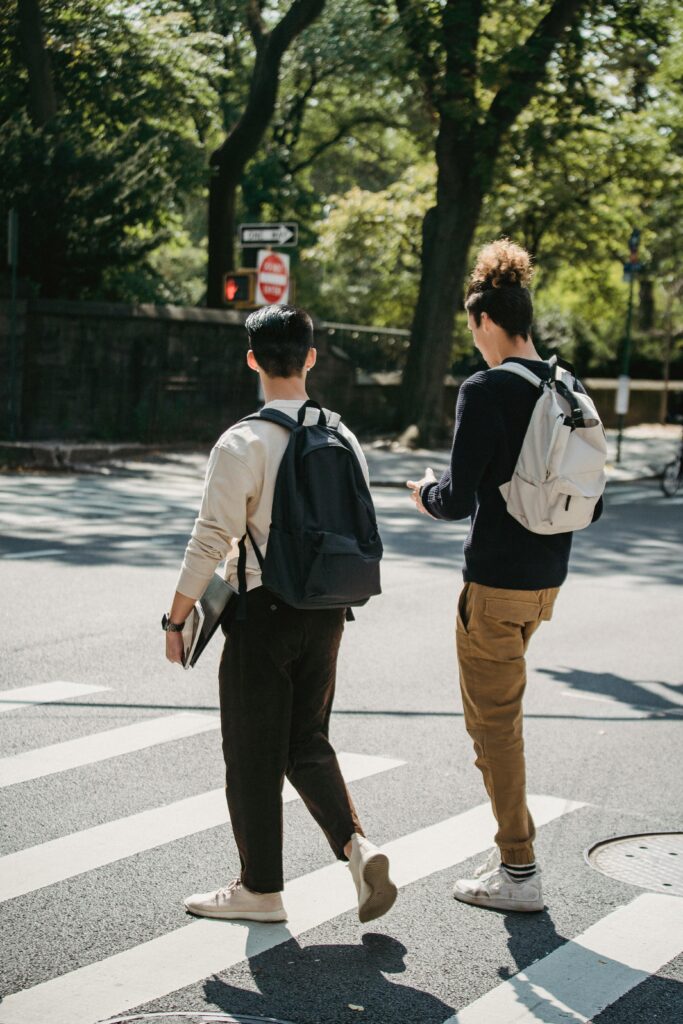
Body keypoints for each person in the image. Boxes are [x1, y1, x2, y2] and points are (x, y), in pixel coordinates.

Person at [163, 304, 396, 925]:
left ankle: (260, 889)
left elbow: (212, 538)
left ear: (252, 359)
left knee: (250, 753)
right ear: (311, 358)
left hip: (263, 612)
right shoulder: (343, 437)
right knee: (305, 742)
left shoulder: (243, 441)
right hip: (327, 612)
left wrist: (176, 617)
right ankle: (358, 847)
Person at [407, 239, 603, 913]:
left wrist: (423, 493)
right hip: (546, 577)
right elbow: (589, 494)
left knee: (493, 727)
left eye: (472, 329)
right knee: (500, 719)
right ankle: (511, 861)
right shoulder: (563, 383)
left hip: (492, 584)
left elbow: (458, 498)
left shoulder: (484, 389)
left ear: (485, 321)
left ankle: (518, 872)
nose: (475, 341)